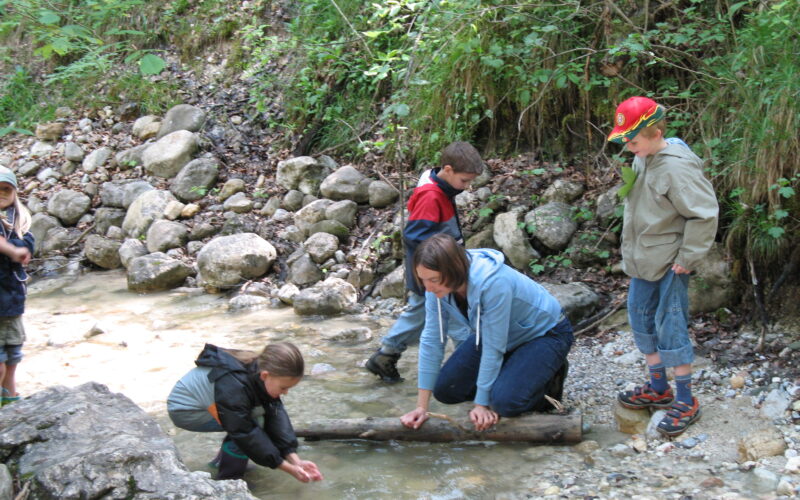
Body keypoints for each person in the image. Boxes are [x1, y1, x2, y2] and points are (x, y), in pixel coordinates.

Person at [608, 96, 718, 436]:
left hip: (670, 262)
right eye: (624, 139)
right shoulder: (645, 156)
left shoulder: (675, 166)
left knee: (670, 324)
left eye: (633, 140)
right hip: (643, 259)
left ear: (656, 132)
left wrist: (687, 258)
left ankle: (685, 399)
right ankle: (658, 387)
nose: (628, 146)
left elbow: (703, 213)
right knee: (640, 317)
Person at [400, 234, 573, 431]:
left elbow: (493, 347)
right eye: (423, 280)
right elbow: (432, 341)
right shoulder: (434, 289)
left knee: (504, 404)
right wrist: (421, 408)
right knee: (446, 390)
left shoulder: (493, 283)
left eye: (433, 280)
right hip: (500, 334)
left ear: (454, 271)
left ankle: (547, 381)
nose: (428, 288)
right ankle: (512, 374)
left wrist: (481, 405)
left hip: (545, 333)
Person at [366, 142, 484, 383]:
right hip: (435, 274)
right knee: (456, 321)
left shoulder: (440, 185)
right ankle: (472, 371)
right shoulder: (431, 195)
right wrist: (442, 262)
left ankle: (386, 355)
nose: (467, 187)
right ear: (448, 170)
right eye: (464, 181)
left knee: (418, 313)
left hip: (431, 271)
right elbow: (415, 236)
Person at [167, 342, 323, 482]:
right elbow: (244, 431)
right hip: (186, 410)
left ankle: (220, 463)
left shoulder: (261, 371)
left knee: (257, 416)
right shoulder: (235, 385)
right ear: (265, 376)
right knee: (251, 423)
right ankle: (229, 480)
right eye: (284, 388)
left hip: (210, 403)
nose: (286, 393)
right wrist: (286, 467)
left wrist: (295, 460)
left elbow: (275, 415)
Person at [0, 166, 33, 407]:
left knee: (13, 354)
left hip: (12, 304)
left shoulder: (20, 224)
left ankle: (10, 397)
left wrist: (20, 250)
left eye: (6, 190)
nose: (1, 193)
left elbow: (27, 246)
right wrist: (12, 250)